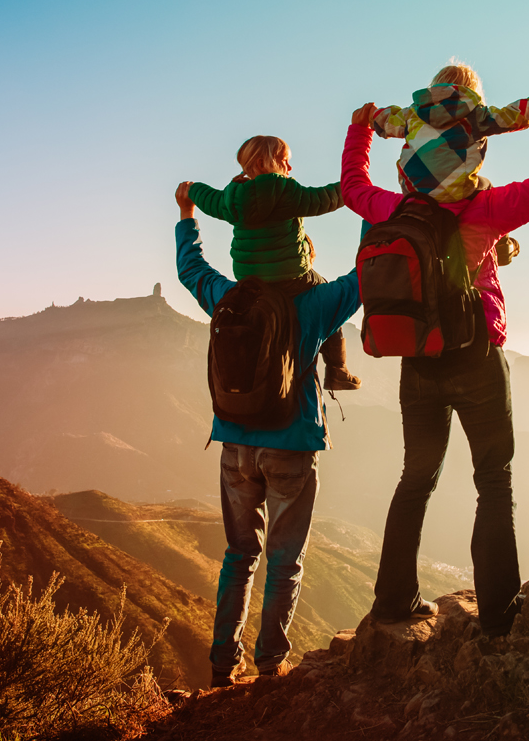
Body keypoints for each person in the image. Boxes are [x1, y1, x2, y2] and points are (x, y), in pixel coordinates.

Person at [343, 94, 529, 637]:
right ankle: (496, 615)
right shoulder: (485, 209)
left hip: (418, 360)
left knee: (415, 477)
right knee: (493, 480)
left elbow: (352, 187)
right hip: (476, 359)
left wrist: (359, 130)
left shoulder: (394, 210)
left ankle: (393, 601)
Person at [173, 180, 362, 685]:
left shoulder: (226, 298)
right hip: (292, 446)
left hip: (235, 445)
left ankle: (221, 666)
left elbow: (191, 270)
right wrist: (374, 210)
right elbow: (362, 277)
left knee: (238, 557)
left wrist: (188, 215)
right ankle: (270, 665)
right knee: (285, 561)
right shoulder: (314, 305)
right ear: (295, 243)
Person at [184, 135, 361, 391]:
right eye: (285, 161)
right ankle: (337, 369)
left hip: (249, 281)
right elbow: (325, 198)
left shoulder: (231, 198)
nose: (289, 168)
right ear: (265, 162)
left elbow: (208, 199)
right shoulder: (286, 191)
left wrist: (191, 190)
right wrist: (355, 186)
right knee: (326, 295)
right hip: (292, 279)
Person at [366, 60, 529, 204]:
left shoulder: (413, 113)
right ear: (472, 91)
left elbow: (387, 119)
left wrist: (371, 114)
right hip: (456, 193)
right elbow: (510, 116)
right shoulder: (475, 114)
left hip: (412, 190)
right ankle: (502, 242)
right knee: (486, 187)